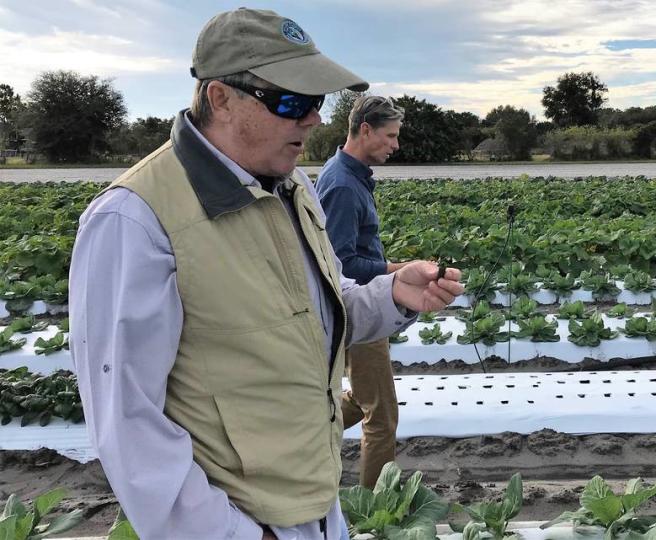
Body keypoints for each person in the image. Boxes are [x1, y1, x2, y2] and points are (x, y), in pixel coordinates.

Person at [68, 8, 463, 540]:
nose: (314, 120)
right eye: (291, 102)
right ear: (220, 98)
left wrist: (391, 295)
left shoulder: (292, 186)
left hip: (320, 507)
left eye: (317, 103)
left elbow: (319, 311)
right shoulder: (134, 220)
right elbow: (127, 425)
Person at [314, 95, 406, 488]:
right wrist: (395, 271)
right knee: (382, 417)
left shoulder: (348, 175)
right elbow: (339, 264)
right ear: (364, 130)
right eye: (390, 135)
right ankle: (376, 507)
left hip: (362, 305)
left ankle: (306, 431)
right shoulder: (343, 186)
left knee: (362, 397)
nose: (395, 145)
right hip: (358, 309)